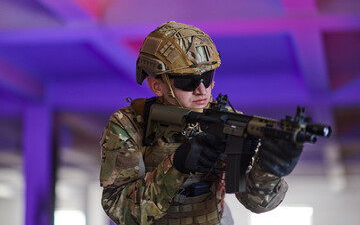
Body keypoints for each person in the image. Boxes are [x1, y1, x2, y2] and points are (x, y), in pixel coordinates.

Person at [99, 21, 303, 225]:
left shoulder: (226, 118)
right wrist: (176, 166)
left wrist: (269, 169)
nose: (202, 90)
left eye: (208, 77)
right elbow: (119, 209)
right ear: (157, 86)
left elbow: (257, 203)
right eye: (187, 82)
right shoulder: (130, 124)